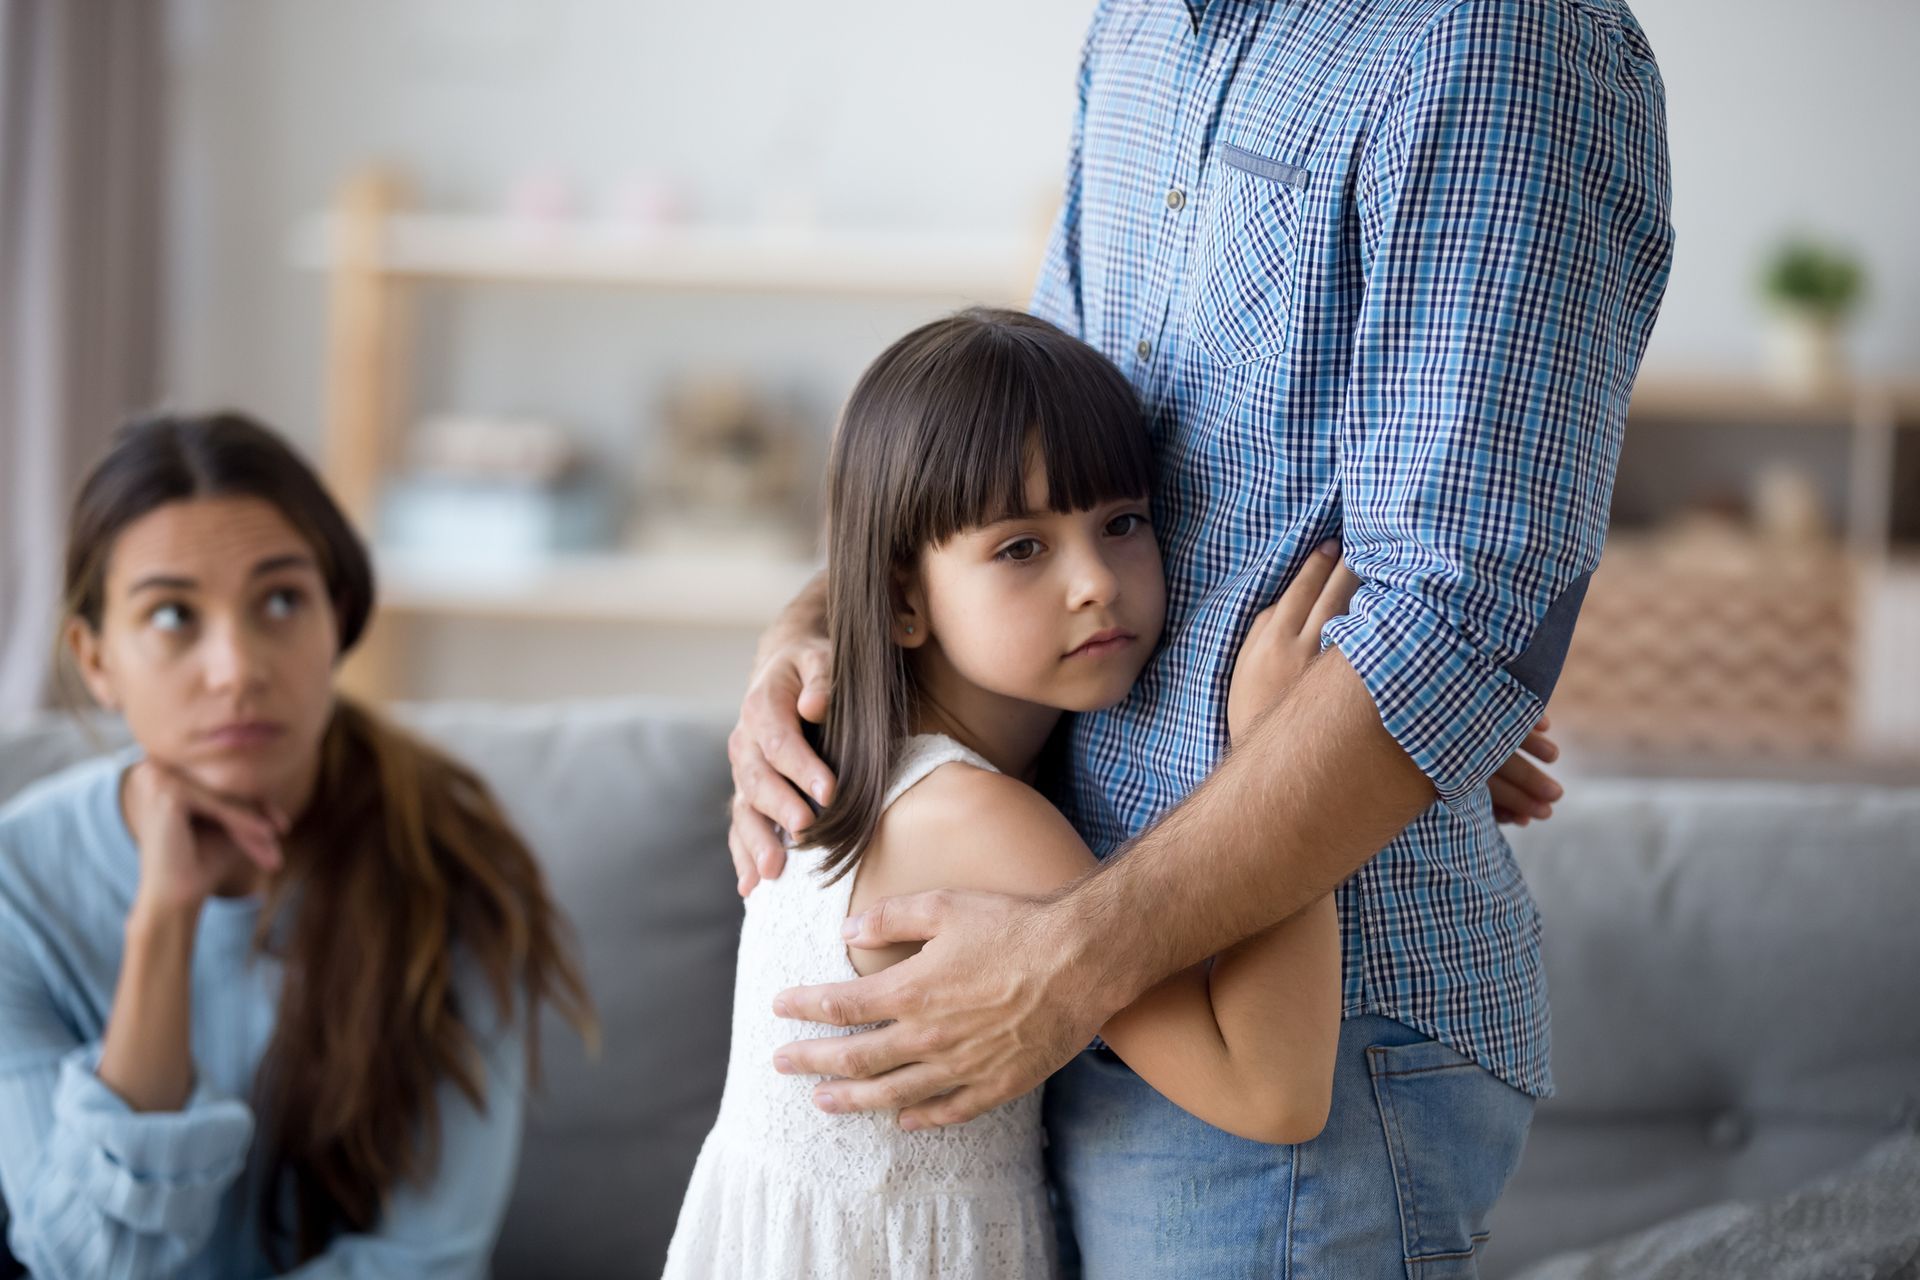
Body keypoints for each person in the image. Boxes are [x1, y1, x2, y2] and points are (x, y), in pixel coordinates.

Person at [728, 0, 1674, 1273]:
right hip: (1086, 981)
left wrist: (1082, 947)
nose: (1093, 585)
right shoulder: (1138, 35)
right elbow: (1022, 448)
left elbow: (1457, 618)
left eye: (1117, 535)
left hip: (1291, 1020)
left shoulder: (1493, 37)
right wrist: (804, 638)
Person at [667, 308, 1378, 1279]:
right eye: (1020, 549)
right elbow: (1272, 1091)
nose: (1095, 581)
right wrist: (1285, 742)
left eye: (1122, 523)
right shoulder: (975, 818)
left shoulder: (876, 761)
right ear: (904, 599)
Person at [0, 412, 595, 1278]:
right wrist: (164, 920)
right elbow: (88, 1260)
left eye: (281, 601)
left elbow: (424, 1262)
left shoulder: (454, 865)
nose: (237, 668)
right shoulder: (15, 884)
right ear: (96, 661)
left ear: (338, 616)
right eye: (172, 615)